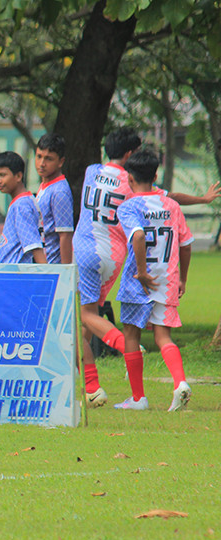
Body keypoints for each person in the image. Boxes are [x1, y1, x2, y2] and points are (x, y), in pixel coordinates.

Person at [73, 127, 219, 407]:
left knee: (88, 317)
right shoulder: (150, 195)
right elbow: (172, 202)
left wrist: (139, 271)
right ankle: (93, 387)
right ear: (130, 155)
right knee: (105, 326)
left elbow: (138, 229)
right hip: (123, 261)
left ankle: (125, 371)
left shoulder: (92, 171)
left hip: (95, 253)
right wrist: (202, 200)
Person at [112, 147, 193, 411]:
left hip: (140, 280)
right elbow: (186, 243)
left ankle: (138, 398)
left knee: (131, 334)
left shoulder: (129, 206)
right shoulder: (172, 205)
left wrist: (142, 272)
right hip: (168, 279)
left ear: (130, 179)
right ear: (155, 175)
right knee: (162, 336)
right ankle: (180, 383)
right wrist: (182, 278)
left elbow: (137, 237)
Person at [0, 151, 47, 264]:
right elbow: (16, 241)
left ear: (18, 176)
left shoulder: (21, 206)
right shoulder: (25, 200)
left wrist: (46, 275)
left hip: (17, 276)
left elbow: (34, 246)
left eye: (2, 175)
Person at [33, 133, 74, 264]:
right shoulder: (45, 185)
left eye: (48, 159)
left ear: (61, 162)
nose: (42, 163)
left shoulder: (59, 191)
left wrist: (65, 273)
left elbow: (65, 235)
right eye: (39, 156)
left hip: (51, 265)